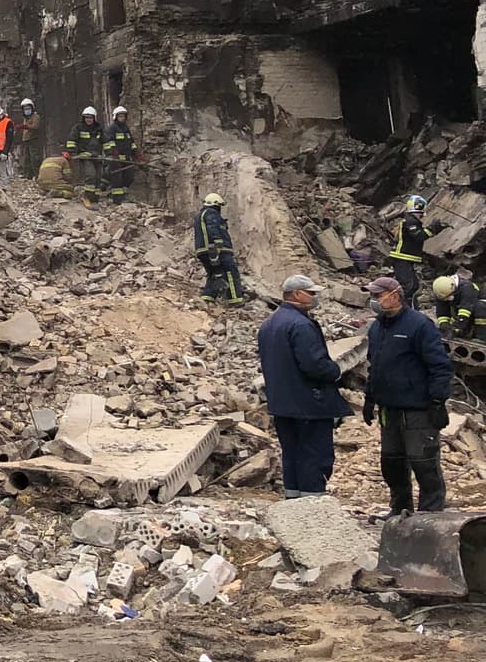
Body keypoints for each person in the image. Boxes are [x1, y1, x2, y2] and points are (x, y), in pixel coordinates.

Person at [257, 274, 354, 497]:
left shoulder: (269, 324)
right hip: (309, 403)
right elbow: (314, 364)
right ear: (297, 294)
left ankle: (293, 502)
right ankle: (312, 506)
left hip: (282, 404)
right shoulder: (300, 325)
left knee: (291, 453)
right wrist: (335, 371)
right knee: (314, 454)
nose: (314, 297)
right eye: (311, 293)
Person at [363, 274, 452, 515]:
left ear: (395, 296)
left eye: (378, 295)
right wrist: (370, 398)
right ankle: (399, 510)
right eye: (372, 295)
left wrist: (437, 401)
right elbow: (375, 365)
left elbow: (440, 366)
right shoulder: (377, 327)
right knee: (391, 463)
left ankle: (430, 516)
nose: (374, 300)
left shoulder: (419, 325)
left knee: (423, 463)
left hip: (418, 409)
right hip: (388, 410)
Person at [389, 194, 443, 307]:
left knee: (413, 286)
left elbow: (419, 235)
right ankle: (401, 308)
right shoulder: (410, 222)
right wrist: (432, 229)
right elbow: (418, 236)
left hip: (405, 259)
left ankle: (410, 309)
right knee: (408, 286)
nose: (423, 215)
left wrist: (435, 230)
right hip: (402, 258)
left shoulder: (411, 221)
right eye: (421, 212)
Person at [194, 193, 244, 305]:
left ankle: (208, 296)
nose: (219, 209)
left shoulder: (200, 215)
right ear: (215, 204)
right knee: (230, 272)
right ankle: (235, 299)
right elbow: (213, 227)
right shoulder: (211, 213)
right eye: (219, 206)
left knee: (214, 273)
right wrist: (218, 243)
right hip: (217, 250)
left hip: (202, 251)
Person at [66, 106, 104, 205]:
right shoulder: (78, 128)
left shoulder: (99, 129)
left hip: (97, 156)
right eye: (86, 117)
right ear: (83, 118)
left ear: (94, 118)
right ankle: (88, 196)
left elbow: (105, 142)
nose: (88, 120)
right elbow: (71, 141)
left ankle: (95, 197)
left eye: (90, 118)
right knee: (91, 175)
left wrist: (110, 153)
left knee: (99, 177)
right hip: (85, 157)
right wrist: (73, 152)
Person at [102, 106, 138, 205]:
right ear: (115, 117)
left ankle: (123, 194)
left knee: (129, 177)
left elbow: (131, 141)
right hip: (116, 159)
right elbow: (108, 141)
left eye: (123, 116)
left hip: (126, 158)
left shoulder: (126, 128)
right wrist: (113, 152)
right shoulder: (112, 128)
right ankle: (117, 199)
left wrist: (135, 151)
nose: (122, 118)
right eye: (120, 116)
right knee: (117, 179)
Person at [433, 273, 483, 341]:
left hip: (480, 311)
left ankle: (481, 337)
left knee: (480, 307)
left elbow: (464, 312)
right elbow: (442, 312)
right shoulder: (442, 292)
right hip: (469, 312)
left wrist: (455, 328)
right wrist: (444, 325)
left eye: (448, 297)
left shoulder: (467, 288)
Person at [16, 97, 40, 179]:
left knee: (34, 158)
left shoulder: (35, 116)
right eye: (25, 109)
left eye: (28, 108)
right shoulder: (25, 118)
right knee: (26, 158)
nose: (27, 110)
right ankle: (28, 175)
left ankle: (37, 175)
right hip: (26, 140)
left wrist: (25, 126)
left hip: (33, 140)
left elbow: (35, 126)